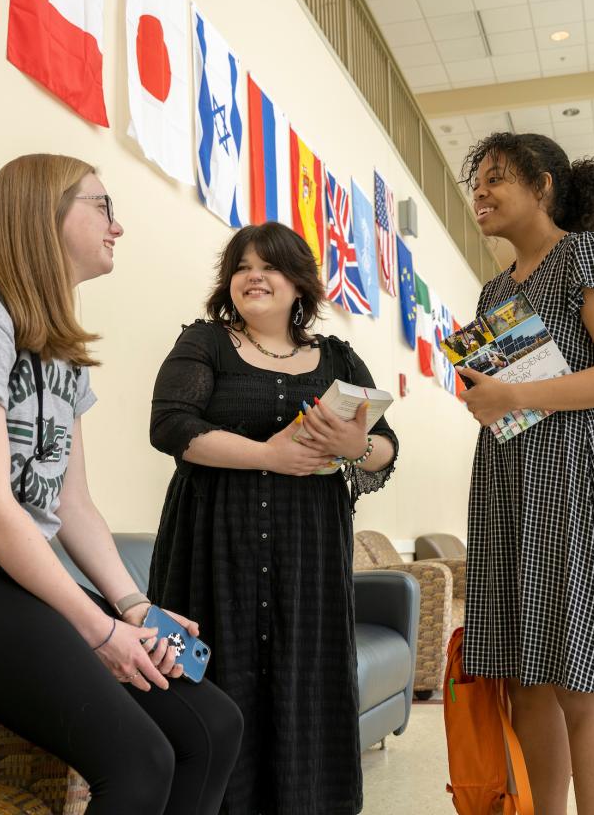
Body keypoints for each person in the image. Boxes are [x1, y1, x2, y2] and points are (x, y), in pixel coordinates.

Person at [0, 154, 243, 815]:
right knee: (139, 762)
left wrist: (133, 607)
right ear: (43, 214)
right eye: (102, 205)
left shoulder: (58, 350)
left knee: (212, 726)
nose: (118, 226)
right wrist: (97, 630)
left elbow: (71, 502)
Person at [148, 221, 398, 815]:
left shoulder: (336, 356)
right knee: (216, 682)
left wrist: (352, 445)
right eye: (241, 267)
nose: (253, 276)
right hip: (213, 545)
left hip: (308, 555)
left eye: (270, 266)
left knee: (303, 682)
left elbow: (385, 446)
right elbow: (171, 425)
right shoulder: (204, 343)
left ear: (299, 284)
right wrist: (269, 456)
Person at [457, 132, 594, 815]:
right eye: (474, 181)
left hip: (572, 473)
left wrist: (513, 395)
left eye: (495, 179)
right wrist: (486, 395)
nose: (479, 192)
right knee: (525, 679)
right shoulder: (493, 289)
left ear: (543, 186)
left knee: (581, 680)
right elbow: (508, 395)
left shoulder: (583, 254)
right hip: (508, 479)